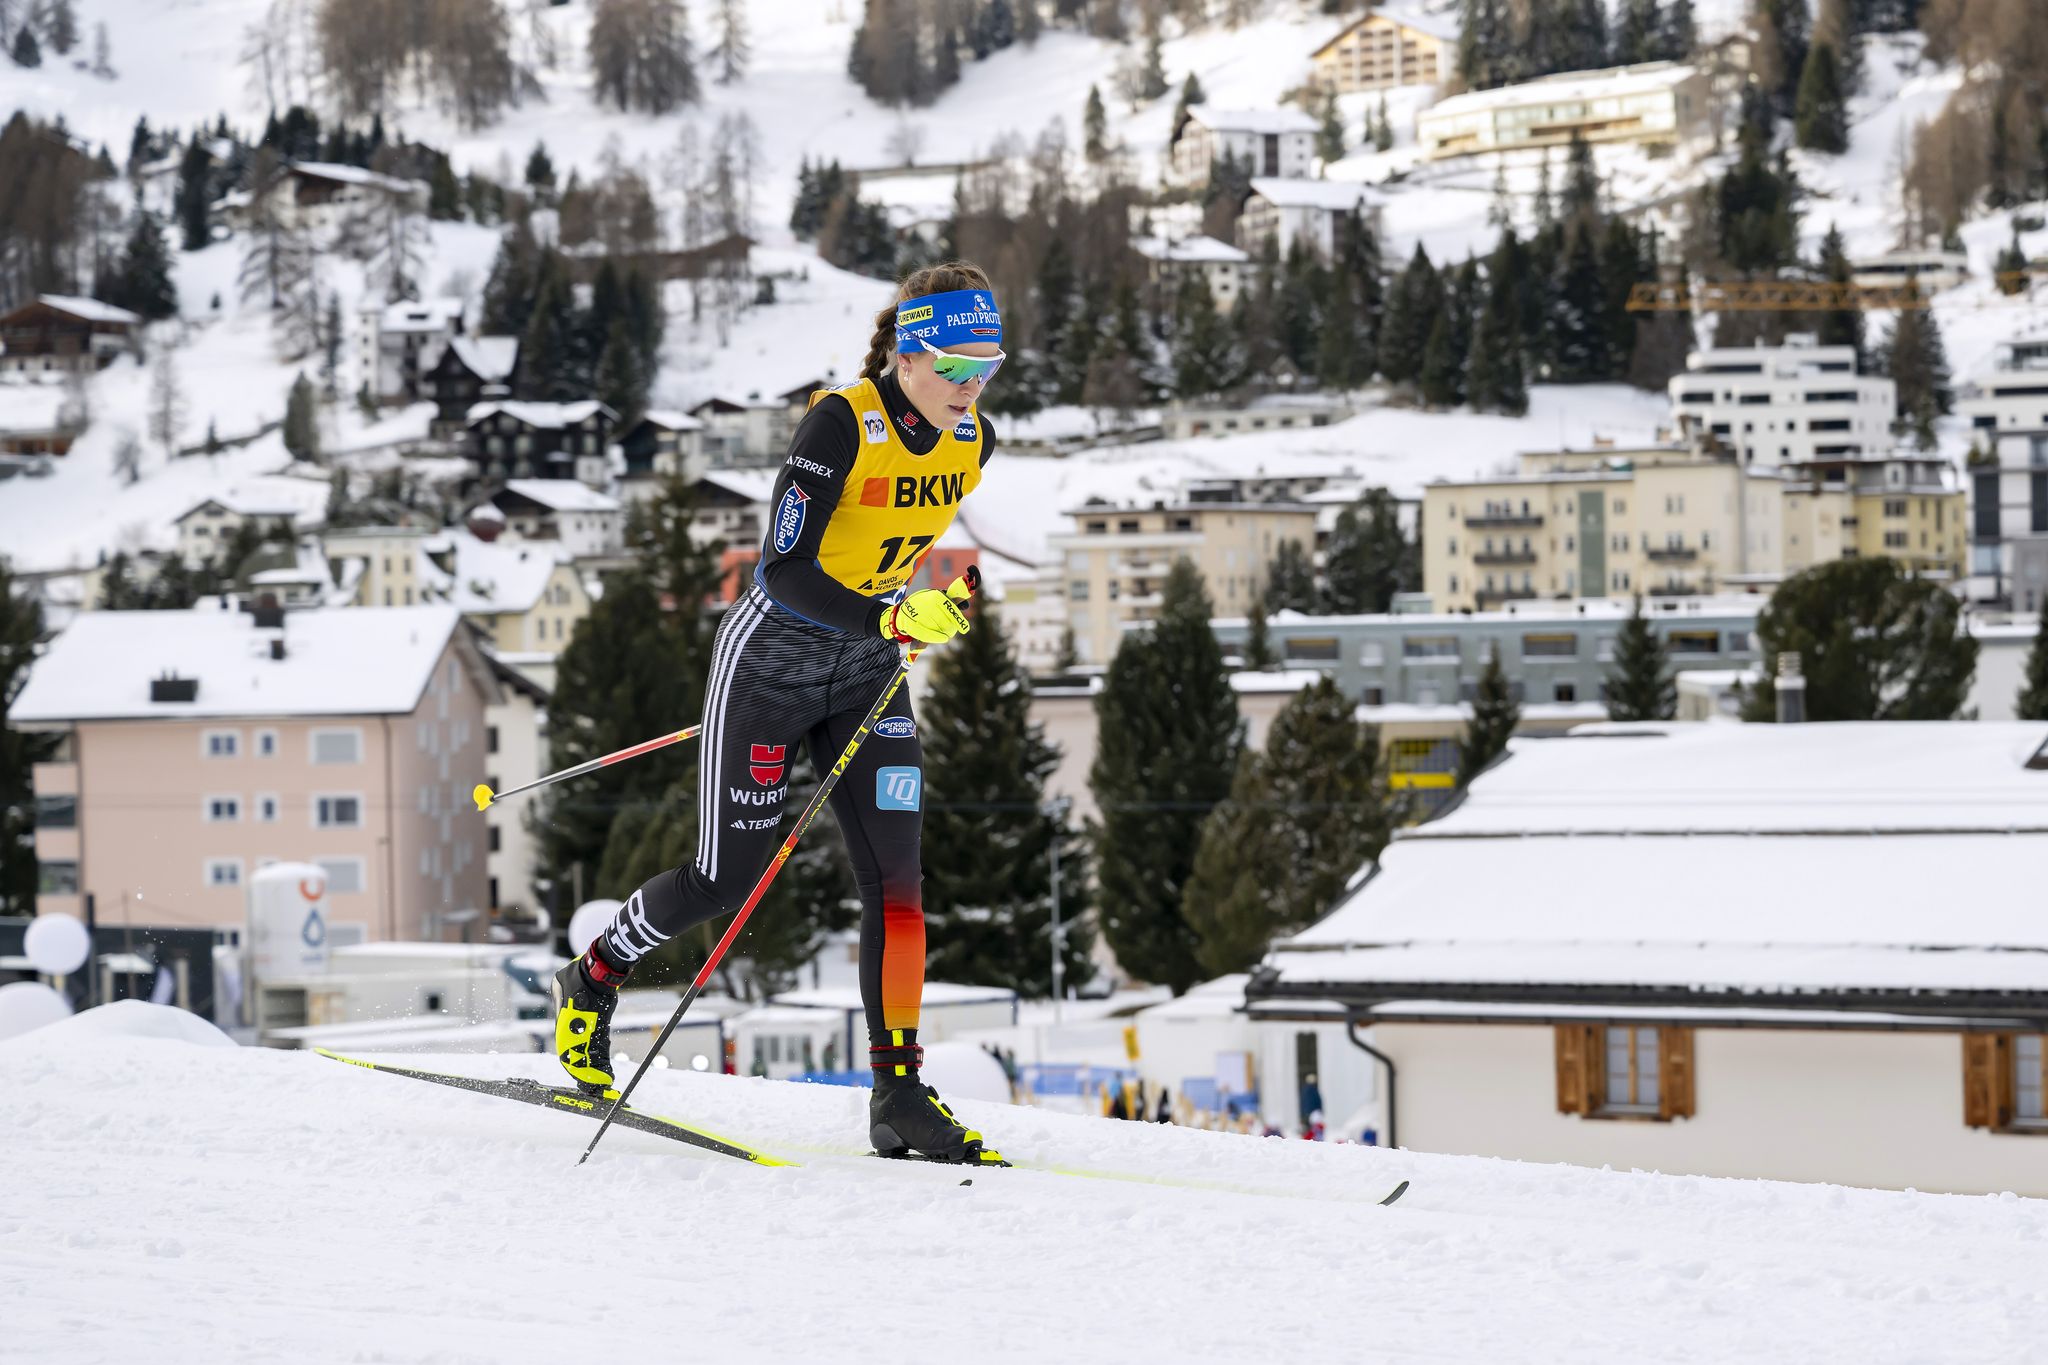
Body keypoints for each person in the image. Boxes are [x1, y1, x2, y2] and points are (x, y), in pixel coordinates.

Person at [551, 263, 1008, 1166]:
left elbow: (899, 550)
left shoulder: (975, 440)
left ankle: (899, 1090)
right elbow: (785, 569)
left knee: (900, 882)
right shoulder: (840, 421)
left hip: (869, 670)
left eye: (987, 368)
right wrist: (887, 612)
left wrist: (937, 603)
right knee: (726, 878)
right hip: (768, 665)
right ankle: (594, 971)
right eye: (956, 366)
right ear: (908, 352)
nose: (971, 388)